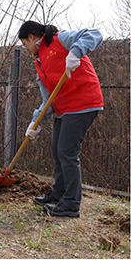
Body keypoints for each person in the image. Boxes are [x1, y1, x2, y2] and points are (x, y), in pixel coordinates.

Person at [19, 21, 103, 218]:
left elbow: (95, 34)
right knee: (57, 150)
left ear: (31, 37)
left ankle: (71, 204)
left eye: (25, 44)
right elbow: (48, 99)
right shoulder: (39, 62)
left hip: (83, 102)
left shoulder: (60, 39)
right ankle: (59, 193)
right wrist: (36, 121)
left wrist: (75, 52)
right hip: (64, 108)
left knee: (67, 152)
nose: (26, 49)